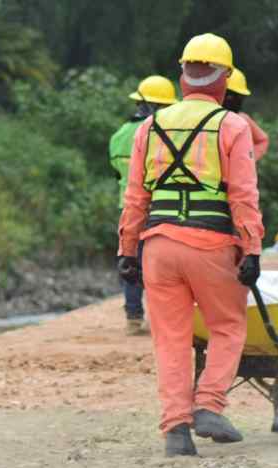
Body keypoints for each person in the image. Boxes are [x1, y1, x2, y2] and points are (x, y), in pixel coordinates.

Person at [117, 33, 264, 457]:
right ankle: (209, 405)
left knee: (171, 339)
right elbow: (243, 196)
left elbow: (135, 197)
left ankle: (176, 431)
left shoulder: (150, 125)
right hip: (212, 244)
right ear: (225, 80)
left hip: (158, 248)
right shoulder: (232, 126)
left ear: (182, 76)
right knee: (228, 326)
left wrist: (127, 250)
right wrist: (252, 250)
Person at [109, 75, 178, 335]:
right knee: (159, 263)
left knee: (130, 259)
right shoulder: (162, 134)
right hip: (158, 206)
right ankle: (162, 318)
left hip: (126, 207)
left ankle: (133, 317)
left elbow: (117, 173)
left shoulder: (118, 136)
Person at [223, 68, 268, 161]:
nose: (230, 99)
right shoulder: (205, 114)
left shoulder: (242, 119)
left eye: (238, 96)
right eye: (229, 94)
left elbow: (263, 140)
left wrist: (247, 160)